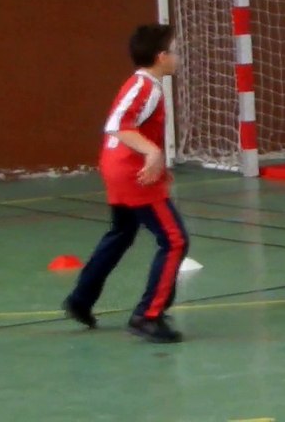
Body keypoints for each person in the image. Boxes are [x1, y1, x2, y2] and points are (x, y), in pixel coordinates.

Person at [64, 24, 189, 343]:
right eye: (174, 51)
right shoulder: (145, 87)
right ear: (161, 57)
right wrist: (153, 153)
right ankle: (147, 316)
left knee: (121, 233)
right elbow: (117, 124)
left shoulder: (144, 85)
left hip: (118, 168)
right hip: (132, 174)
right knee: (174, 240)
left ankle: (81, 300)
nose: (178, 57)